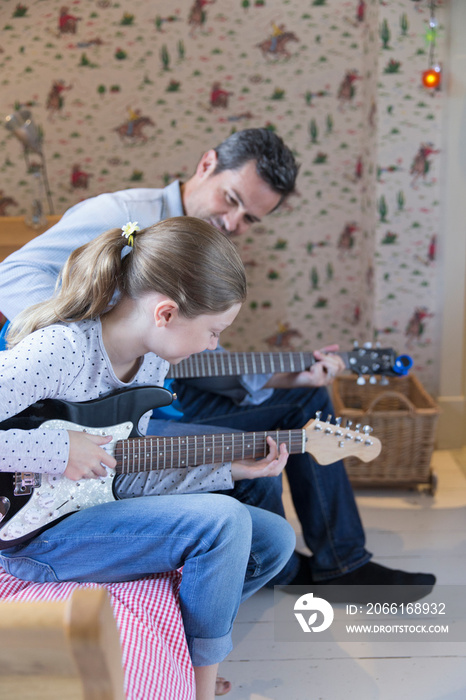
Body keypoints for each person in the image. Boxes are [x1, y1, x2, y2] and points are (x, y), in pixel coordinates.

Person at [0, 127, 435, 604]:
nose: (232, 222)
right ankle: (273, 563)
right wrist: (99, 339)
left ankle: (338, 562)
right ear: (206, 164)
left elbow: (198, 345)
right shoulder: (124, 216)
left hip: (158, 384)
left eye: (249, 218)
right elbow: (13, 275)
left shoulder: (205, 248)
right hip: (93, 401)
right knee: (234, 447)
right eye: (230, 200)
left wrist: (280, 375)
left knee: (303, 397)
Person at [0, 217, 295, 700]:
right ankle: (200, 687)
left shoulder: (152, 363)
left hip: (91, 508)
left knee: (272, 539)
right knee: (223, 522)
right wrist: (59, 450)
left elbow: (122, 472)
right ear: (166, 313)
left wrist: (225, 472)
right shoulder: (62, 349)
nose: (213, 345)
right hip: (35, 535)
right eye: (214, 331)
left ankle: (182, 650)